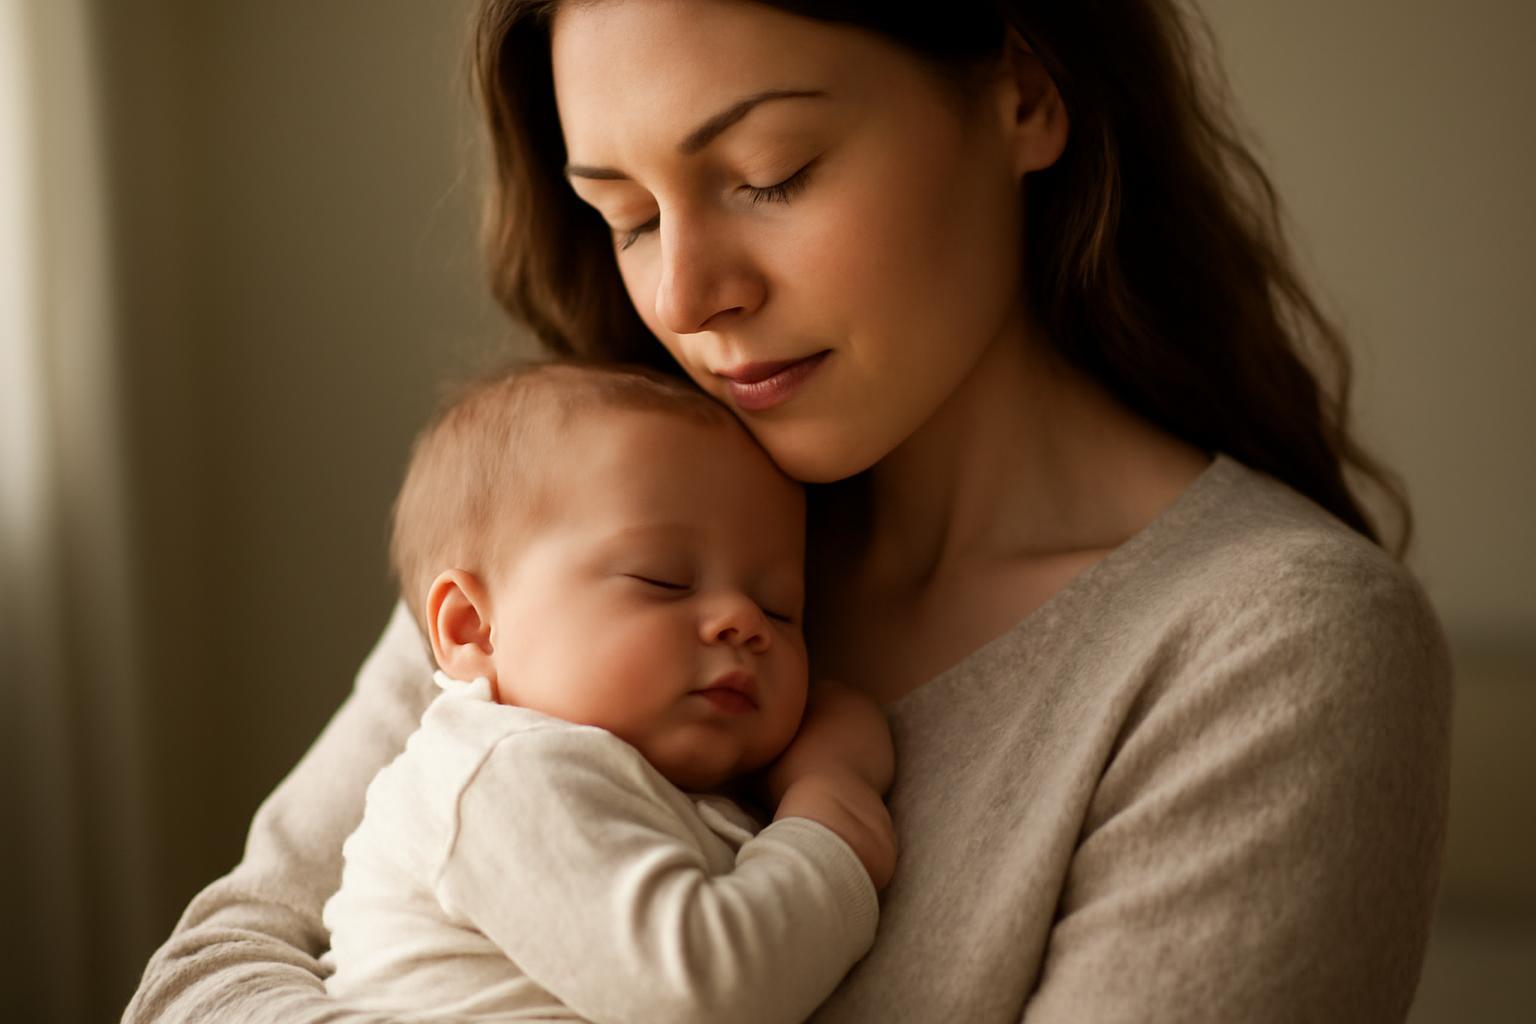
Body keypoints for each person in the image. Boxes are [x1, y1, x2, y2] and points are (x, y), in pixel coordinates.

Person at [125, 2, 1453, 1021]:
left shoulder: (1269, 647)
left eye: (768, 172)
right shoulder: (591, 539)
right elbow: (207, 972)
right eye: (628, 216)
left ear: (1024, 90)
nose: (690, 293)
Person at [320, 361, 893, 1023]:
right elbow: (704, 990)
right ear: (473, 628)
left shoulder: (666, 784)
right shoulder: (502, 775)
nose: (743, 620)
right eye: (664, 580)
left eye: (781, 607)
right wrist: (834, 808)